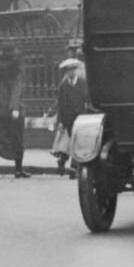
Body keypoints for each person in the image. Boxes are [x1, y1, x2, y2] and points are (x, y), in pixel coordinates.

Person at [0, 45, 30, 179]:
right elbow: (16, 90)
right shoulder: (16, 69)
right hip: (12, 111)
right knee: (18, 139)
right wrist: (14, 108)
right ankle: (18, 169)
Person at [52, 46, 87, 177]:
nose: (71, 73)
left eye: (73, 70)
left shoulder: (82, 83)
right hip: (67, 118)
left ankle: (73, 167)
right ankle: (62, 161)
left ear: (76, 70)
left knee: (77, 142)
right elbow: (60, 104)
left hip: (79, 117)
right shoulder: (63, 86)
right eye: (68, 71)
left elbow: (85, 99)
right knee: (68, 142)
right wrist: (60, 121)